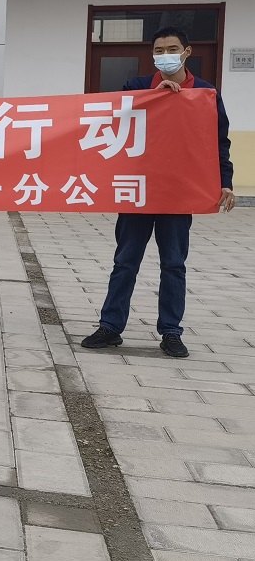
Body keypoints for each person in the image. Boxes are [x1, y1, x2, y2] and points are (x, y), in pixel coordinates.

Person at [81, 26, 234, 359]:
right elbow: (116, 118)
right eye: (160, 50)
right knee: (125, 261)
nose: (166, 55)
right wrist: (154, 98)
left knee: (174, 264)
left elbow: (217, 141)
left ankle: (171, 331)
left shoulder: (205, 93)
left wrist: (225, 180)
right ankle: (110, 326)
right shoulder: (136, 87)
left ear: (187, 52)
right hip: (138, 189)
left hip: (178, 193)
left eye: (172, 49)